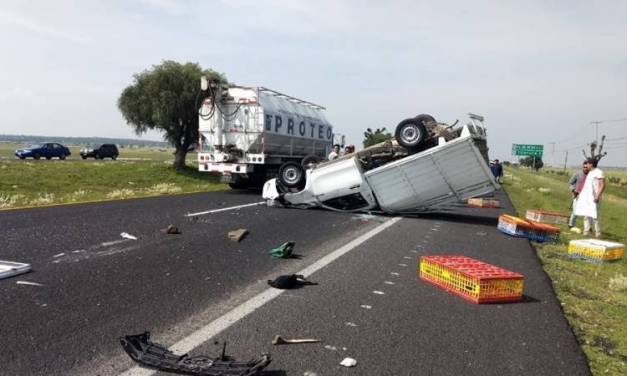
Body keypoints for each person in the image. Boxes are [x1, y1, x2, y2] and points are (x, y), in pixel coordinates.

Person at [574, 158, 605, 238]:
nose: (586, 165)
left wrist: (597, 196)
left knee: (595, 216)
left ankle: (598, 234)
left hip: (595, 197)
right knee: (586, 215)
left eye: (587, 163)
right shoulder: (590, 173)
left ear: (591, 164)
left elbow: (602, 185)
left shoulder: (599, 172)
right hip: (587, 198)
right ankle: (586, 232)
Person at [567, 162, 590, 232]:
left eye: (587, 167)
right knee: (575, 211)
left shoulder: (591, 176)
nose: (585, 168)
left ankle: (588, 228)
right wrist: (574, 190)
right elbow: (570, 183)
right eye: (584, 167)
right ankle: (571, 225)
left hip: (587, 197)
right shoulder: (577, 174)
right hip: (577, 196)